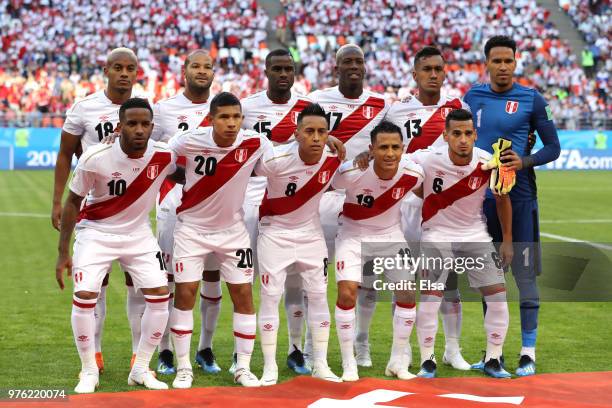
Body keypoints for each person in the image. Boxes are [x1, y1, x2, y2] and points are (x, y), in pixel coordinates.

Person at [55, 97, 182, 393]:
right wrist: (63, 252)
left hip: (138, 235)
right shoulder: (95, 157)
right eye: (132, 123)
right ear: (119, 126)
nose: (139, 130)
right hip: (96, 233)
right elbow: (73, 201)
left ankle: (140, 368)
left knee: (160, 296)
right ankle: (88, 370)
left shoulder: (163, 155)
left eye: (145, 124)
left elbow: (188, 172)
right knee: (85, 294)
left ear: (153, 127)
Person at [464, 35, 560, 377]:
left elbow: (554, 149)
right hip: (480, 202)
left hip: (519, 200)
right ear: (486, 63)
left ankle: (527, 352)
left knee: (524, 274)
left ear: (515, 62)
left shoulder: (532, 99)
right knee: (490, 280)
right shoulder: (472, 96)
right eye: (497, 61)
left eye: (508, 61)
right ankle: (494, 354)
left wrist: (524, 162)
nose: (503, 66)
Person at [168, 92, 272, 388]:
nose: (231, 123)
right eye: (224, 117)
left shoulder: (255, 142)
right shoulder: (190, 139)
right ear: (211, 119)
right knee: (186, 292)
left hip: (233, 232)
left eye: (236, 117)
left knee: (242, 295)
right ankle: (184, 367)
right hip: (191, 229)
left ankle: (242, 367)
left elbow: (285, 159)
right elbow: (160, 155)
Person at [51, 47, 145, 373]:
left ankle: (138, 354)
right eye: (117, 67)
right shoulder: (85, 108)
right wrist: (56, 202)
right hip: (95, 209)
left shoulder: (146, 110)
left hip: (135, 211)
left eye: (129, 68)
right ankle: (97, 353)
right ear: (106, 70)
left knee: (139, 284)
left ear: (137, 72)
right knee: (96, 285)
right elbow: (65, 154)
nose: (123, 73)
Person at [384, 45, 471, 370]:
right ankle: (403, 351)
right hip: (405, 205)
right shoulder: (397, 111)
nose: (433, 74)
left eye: (438, 68)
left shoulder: (457, 107)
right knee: (403, 281)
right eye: (427, 69)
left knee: (447, 282)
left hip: (442, 205)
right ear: (415, 75)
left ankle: (452, 349)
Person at [309, 44, 391, 368]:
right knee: (315, 276)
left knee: (366, 280)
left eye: (359, 61)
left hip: (364, 201)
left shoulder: (382, 105)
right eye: (347, 62)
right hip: (323, 197)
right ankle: (306, 346)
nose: (354, 66)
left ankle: (362, 342)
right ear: (336, 67)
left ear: (365, 67)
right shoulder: (318, 100)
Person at [255, 103, 341, 385]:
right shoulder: (274, 159)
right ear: (296, 133)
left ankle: (321, 363)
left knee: (318, 296)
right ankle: (270, 366)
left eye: (322, 132)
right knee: (270, 296)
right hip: (274, 232)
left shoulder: (333, 158)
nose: (316, 137)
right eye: (310, 131)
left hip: (311, 234)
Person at [240, 48, 314, 375]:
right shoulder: (246, 107)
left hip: (292, 197)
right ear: (266, 72)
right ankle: (241, 351)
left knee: (294, 279)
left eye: (289, 69)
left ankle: (296, 348)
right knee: (243, 277)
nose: (284, 74)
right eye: (278, 69)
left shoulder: (308, 109)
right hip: (250, 194)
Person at [331, 121, 423, 381]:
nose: (390, 153)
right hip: (352, 235)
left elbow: (425, 188)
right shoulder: (350, 173)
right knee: (347, 293)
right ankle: (349, 364)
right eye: (383, 147)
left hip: (391, 237)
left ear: (403, 148)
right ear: (371, 149)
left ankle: (397, 361)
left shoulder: (413, 172)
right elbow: (328, 185)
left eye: (395, 147)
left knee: (406, 292)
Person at [150, 49, 221, 375]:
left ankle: (205, 348)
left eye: (207, 67)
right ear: (184, 70)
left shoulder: (226, 109)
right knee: (170, 280)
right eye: (196, 66)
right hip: (172, 205)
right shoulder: (163, 110)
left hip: (214, 208)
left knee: (211, 276)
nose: (202, 71)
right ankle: (165, 351)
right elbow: (148, 152)